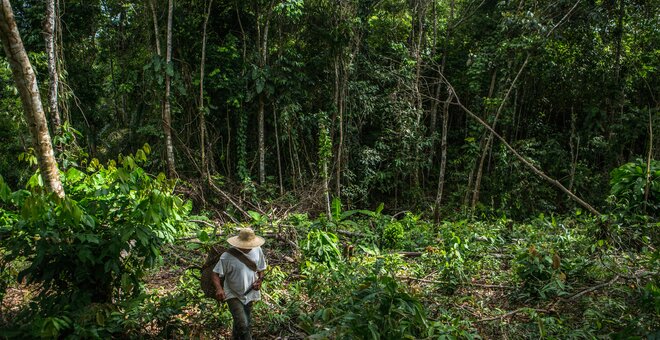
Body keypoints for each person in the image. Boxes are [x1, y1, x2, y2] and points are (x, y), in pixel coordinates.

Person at [211, 228, 267, 340]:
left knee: (246, 320)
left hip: (250, 292)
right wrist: (219, 289)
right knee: (243, 324)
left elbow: (261, 268)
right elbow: (215, 274)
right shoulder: (227, 257)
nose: (248, 247)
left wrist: (260, 280)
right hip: (232, 293)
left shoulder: (257, 250)